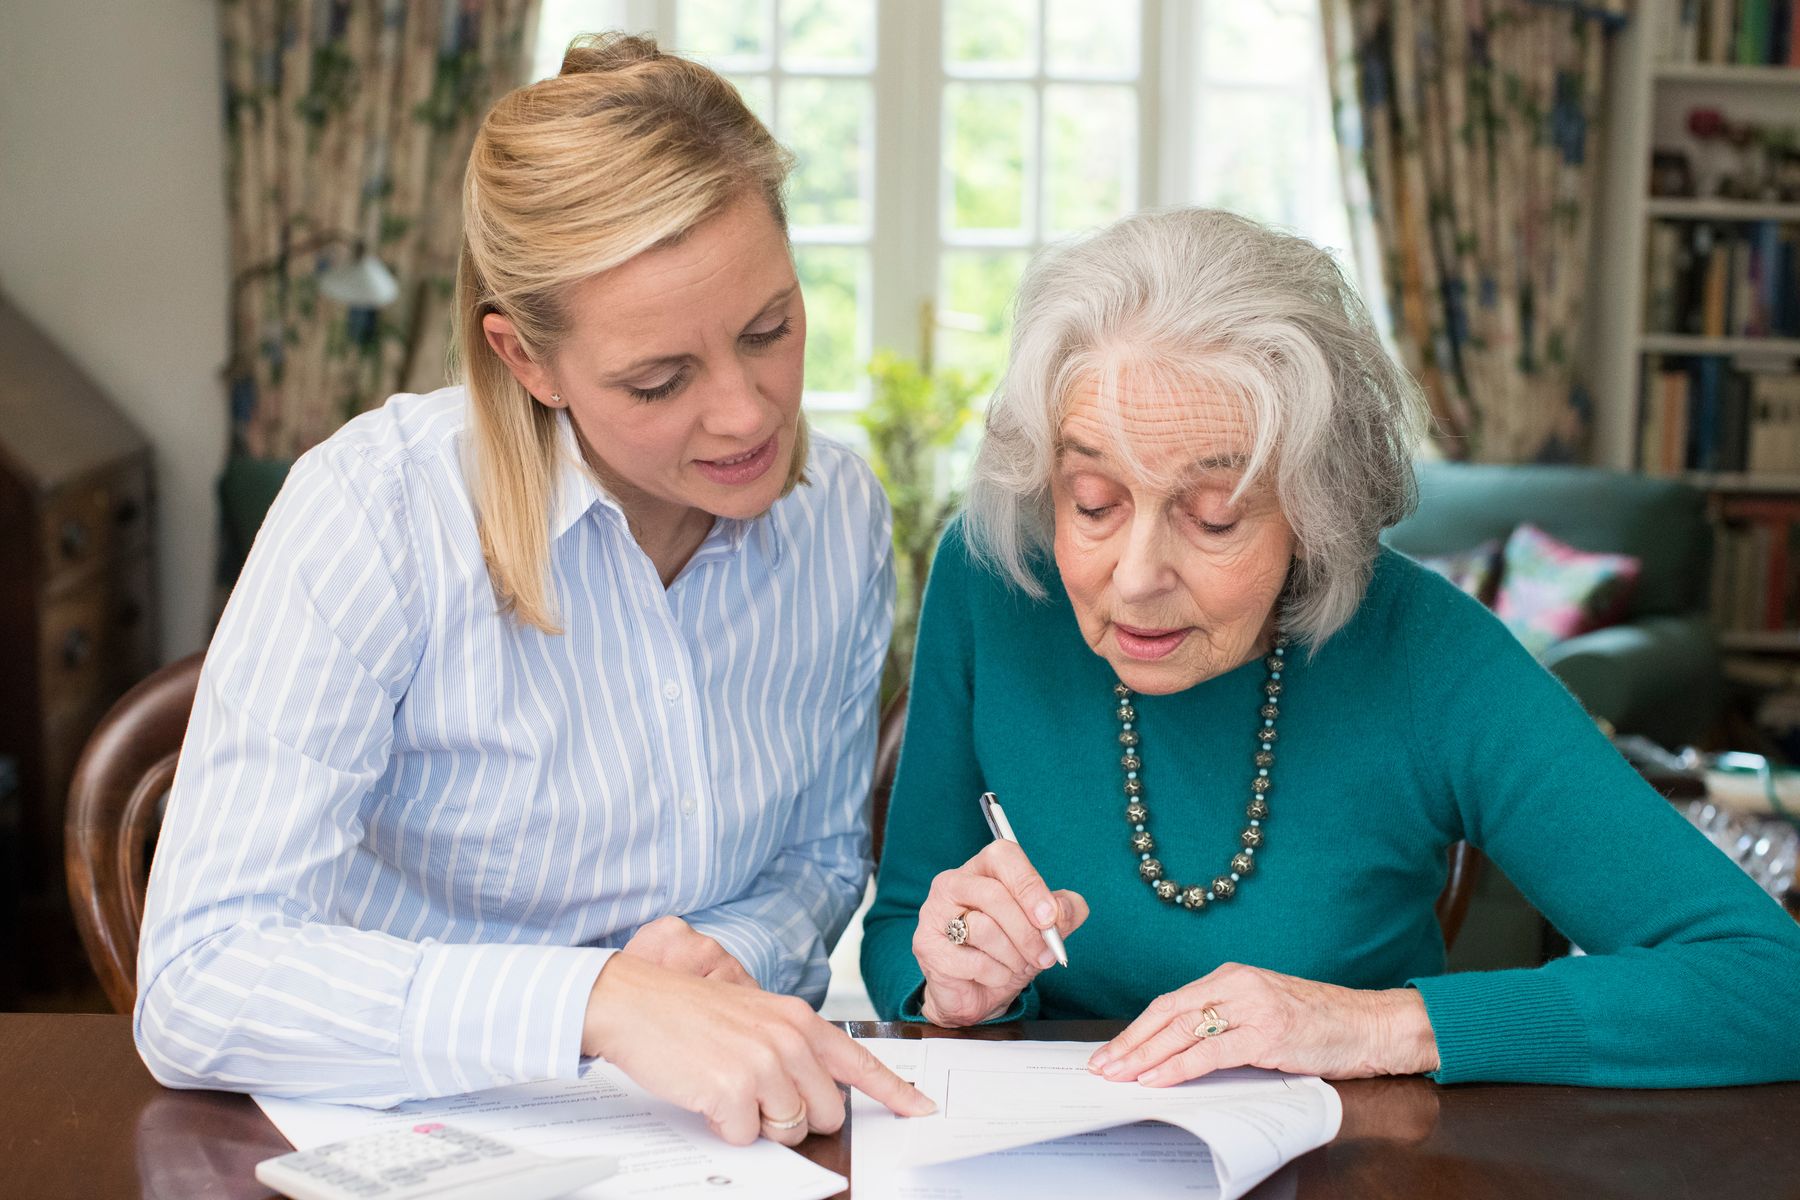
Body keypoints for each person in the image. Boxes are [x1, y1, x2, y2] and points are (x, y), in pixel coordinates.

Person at [135, 33, 935, 1142]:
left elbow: (815, 860)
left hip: (712, 1141)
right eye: (658, 380)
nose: (749, 413)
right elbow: (199, 977)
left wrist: (724, 964)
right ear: (525, 360)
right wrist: (597, 1001)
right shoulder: (377, 514)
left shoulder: (838, 517)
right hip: (404, 1134)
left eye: (770, 330)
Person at [861, 207, 1800, 1088]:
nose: (1136, 575)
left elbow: (1767, 984)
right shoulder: (995, 577)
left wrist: (1371, 1025)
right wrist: (955, 979)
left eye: (1215, 517)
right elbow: (907, 922)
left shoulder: (1427, 651)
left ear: (1318, 513)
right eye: (1094, 503)